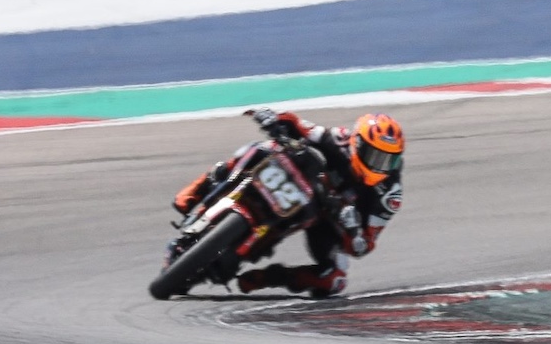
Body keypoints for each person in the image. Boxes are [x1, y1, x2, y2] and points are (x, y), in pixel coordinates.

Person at [173, 108, 406, 298]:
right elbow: (303, 127)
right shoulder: (340, 139)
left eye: (389, 160)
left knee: (334, 280)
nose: (381, 166)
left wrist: (353, 230)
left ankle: (270, 277)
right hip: (307, 183)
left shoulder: (389, 195)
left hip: (328, 219)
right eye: (376, 157)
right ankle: (194, 193)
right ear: (357, 144)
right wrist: (274, 118)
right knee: (261, 149)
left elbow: (363, 246)